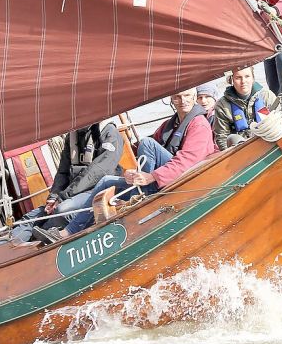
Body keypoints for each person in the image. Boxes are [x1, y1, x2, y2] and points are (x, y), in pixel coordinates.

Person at [43, 88, 218, 241]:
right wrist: (130, 173)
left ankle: (144, 199)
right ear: (171, 99)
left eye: (187, 95)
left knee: (147, 144)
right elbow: (141, 150)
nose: (183, 101)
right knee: (105, 181)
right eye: (177, 97)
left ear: (194, 97)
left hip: (182, 181)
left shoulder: (199, 124)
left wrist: (151, 177)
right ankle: (68, 232)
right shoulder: (169, 124)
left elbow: (187, 160)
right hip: (159, 179)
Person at [9, 122, 123, 243]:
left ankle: (38, 240)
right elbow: (63, 171)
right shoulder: (72, 135)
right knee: (31, 217)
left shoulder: (109, 132)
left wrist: (63, 197)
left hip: (97, 190)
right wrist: (54, 196)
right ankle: (11, 248)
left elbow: (98, 171)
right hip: (72, 192)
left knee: (62, 211)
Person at [212, 66, 280, 150]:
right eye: (238, 78)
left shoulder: (267, 96)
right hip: (241, 151)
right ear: (231, 80)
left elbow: (280, 121)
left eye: (247, 76)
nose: (243, 81)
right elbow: (222, 138)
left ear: (253, 78)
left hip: (269, 144)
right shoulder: (222, 105)